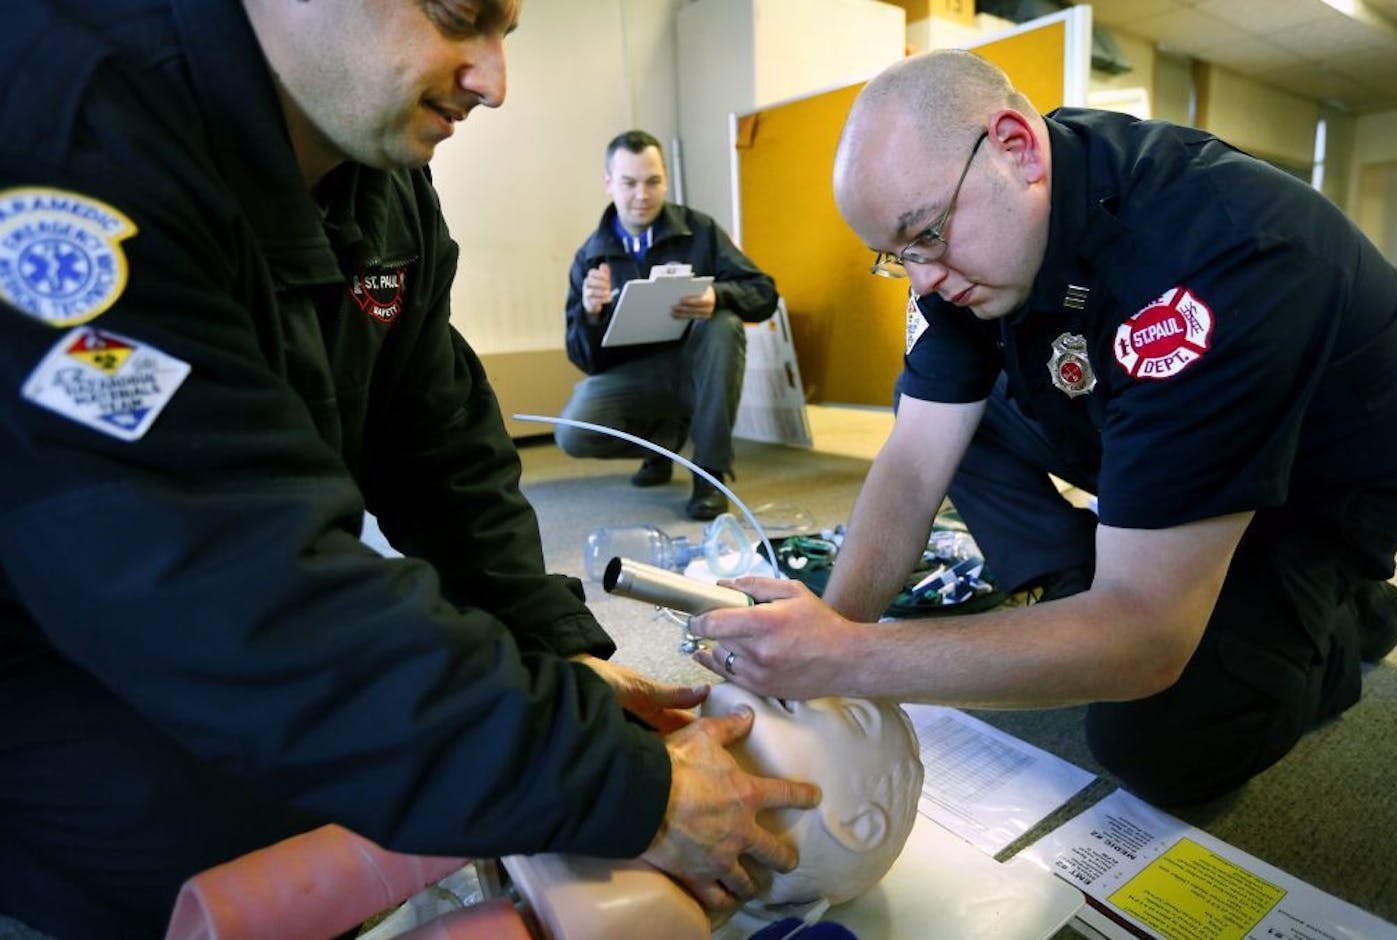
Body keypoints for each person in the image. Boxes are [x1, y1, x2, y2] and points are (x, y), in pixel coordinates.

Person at [0, 2, 819, 937]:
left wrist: (554, 648)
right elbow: (227, 584)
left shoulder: (376, 173)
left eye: (507, 30)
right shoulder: (63, 135)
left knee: (457, 763)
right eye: (458, 17)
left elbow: (440, 445)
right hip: (50, 658)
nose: (495, 81)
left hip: (195, 578)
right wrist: (615, 782)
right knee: (287, 842)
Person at [689, 49, 1397, 808]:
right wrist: (823, 629)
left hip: (1310, 495)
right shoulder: (977, 226)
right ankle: (1075, 590)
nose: (924, 278)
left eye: (927, 237)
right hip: (1159, 421)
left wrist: (850, 658)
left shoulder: (1217, 255)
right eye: (898, 256)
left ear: (1017, 146)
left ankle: (1345, 621)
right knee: (960, 420)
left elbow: (1146, 641)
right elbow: (914, 459)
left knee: (1162, 745)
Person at [556, 130, 780, 520]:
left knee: (723, 323)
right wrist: (591, 313)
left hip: (698, 369)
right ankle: (662, 443)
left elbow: (763, 293)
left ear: (665, 180)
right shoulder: (589, 258)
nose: (642, 195)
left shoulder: (700, 230)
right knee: (572, 431)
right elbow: (584, 360)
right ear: (609, 183)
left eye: (653, 181)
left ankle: (709, 476)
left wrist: (717, 295)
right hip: (636, 379)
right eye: (629, 183)